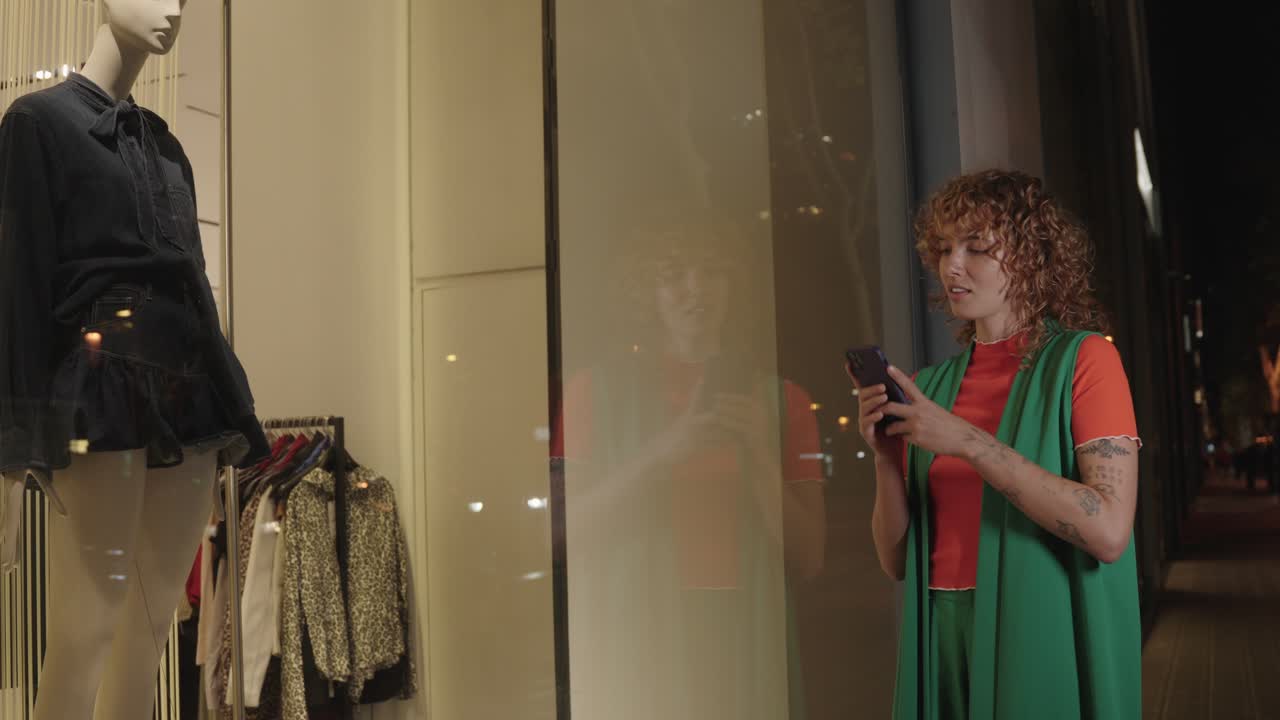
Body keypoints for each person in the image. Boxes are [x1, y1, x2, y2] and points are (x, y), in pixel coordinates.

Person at [848, 170, 1142, 719]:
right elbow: (895, 562)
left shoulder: (1085, 361)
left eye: (977, 247)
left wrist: (970, 444)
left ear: (1032, 258)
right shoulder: (931, 388)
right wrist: (886, 461)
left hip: (1036, 625)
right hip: (940, 629)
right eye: (944, 248)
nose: (951, 265)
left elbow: (1107, 530)